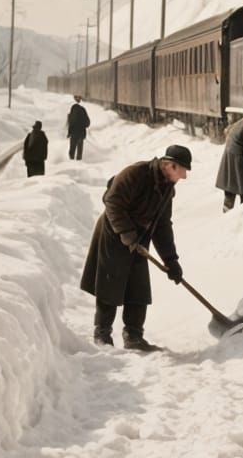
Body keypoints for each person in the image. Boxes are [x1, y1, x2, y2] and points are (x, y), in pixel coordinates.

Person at [79, 144, 191, 351]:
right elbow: (112, 202)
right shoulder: (136, 173)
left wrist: (171, 261)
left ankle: (133, 336)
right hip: (114, 233)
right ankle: (102, 335)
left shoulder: (168, 188)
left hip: (139, 238)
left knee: (138, 288)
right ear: (170, 165)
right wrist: (128, 235)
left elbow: (163, 226)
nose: (184, 176)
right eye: (183, 170)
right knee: (110, 284)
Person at [66, 95, 91, 161]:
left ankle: (71, 162)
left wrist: (69, 133)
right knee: (80, 149)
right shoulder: (83, 110)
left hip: (74, 133)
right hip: (81, 133)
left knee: (72, 149)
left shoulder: (72, 111)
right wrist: (83, 125)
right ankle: (79, 162)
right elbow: (87, 123)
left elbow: (71, 123)